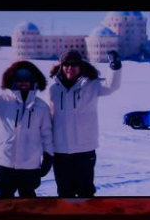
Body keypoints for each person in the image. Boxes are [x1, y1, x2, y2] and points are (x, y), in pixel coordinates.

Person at [0, 58, 54, 198]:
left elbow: (46, 134)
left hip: (30, 165)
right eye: (19, 79)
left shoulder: (41, 107)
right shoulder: (2, 101)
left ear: (33, 81)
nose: (23, 83)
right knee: (4, 201)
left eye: (27, 80)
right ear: (12, 81)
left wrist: (48, 156)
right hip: (5, 163)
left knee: (29, 202)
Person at [47, 49, 122, 197]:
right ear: (61, 66)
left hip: (84, 150)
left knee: (85, 191)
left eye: (74, 64)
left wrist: (115, 67)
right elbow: (49, 118)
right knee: (64, 192)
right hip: (60, 151)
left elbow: (111, 86)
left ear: (81, 66)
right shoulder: (53, 89)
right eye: (66, 64)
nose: (70, 67)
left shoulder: (91, 85)